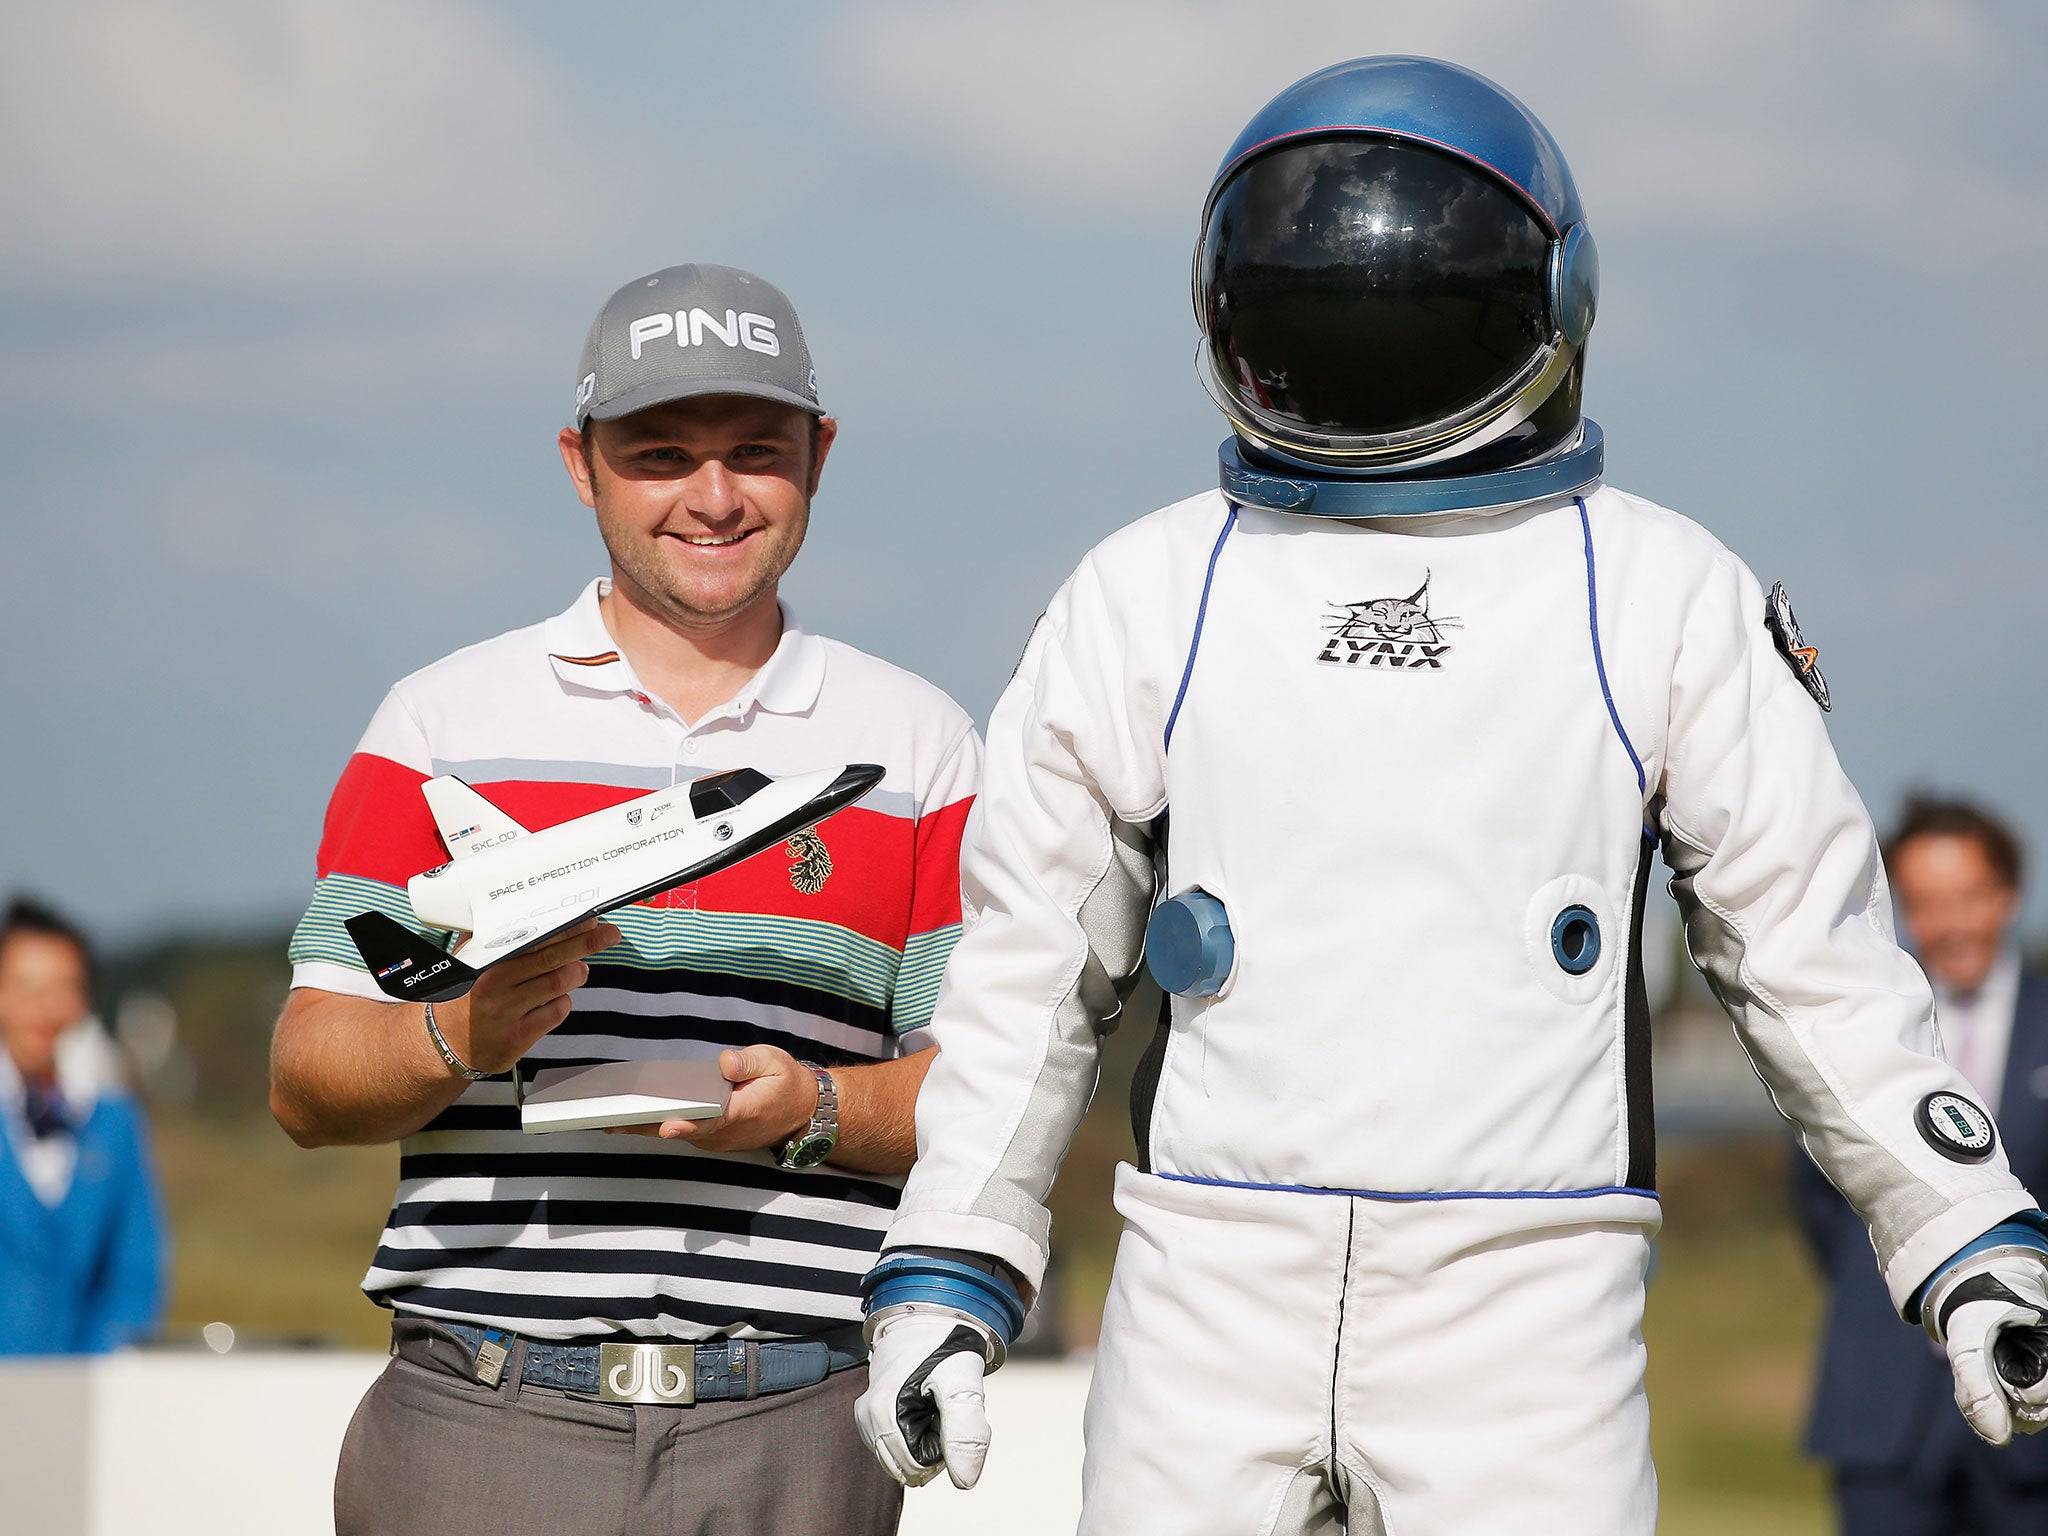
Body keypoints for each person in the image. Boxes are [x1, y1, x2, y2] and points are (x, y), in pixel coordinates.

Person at [851, 56, 2048, 1536]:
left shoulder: (1652, 590)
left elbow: (1809, 948)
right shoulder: (1151, 591)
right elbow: (1028, 963)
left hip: (1526, 1285)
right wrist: (953, 1259)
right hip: (1208, 1265)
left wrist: (1962, 1225)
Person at [269, 264, 979, 1536]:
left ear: (818, 455)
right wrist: (460, 1035)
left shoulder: (919, 743)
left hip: (797, 1431)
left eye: (754, 451)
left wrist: (810, 1110)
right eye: (659, 455)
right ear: (579, 463)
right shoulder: (438, 725)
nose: (711, 497)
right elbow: (306, 1081)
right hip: (481, 1420)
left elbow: (989, 1100)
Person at [1796, 796, 2048, 1533]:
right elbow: (1819, 1201)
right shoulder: (1858, 1035)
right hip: (1883, 1407)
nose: (1952, 923)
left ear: (2007, 896)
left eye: (1969, 897)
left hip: (2033, 1400)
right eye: (1928, 903)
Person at [0, 897, 166, 1354]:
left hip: (80, 1396)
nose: (42, 1007)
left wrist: (99, 1370)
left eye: (61, 987)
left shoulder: (115, 1120)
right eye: (24, 986)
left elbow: (135, 1270)